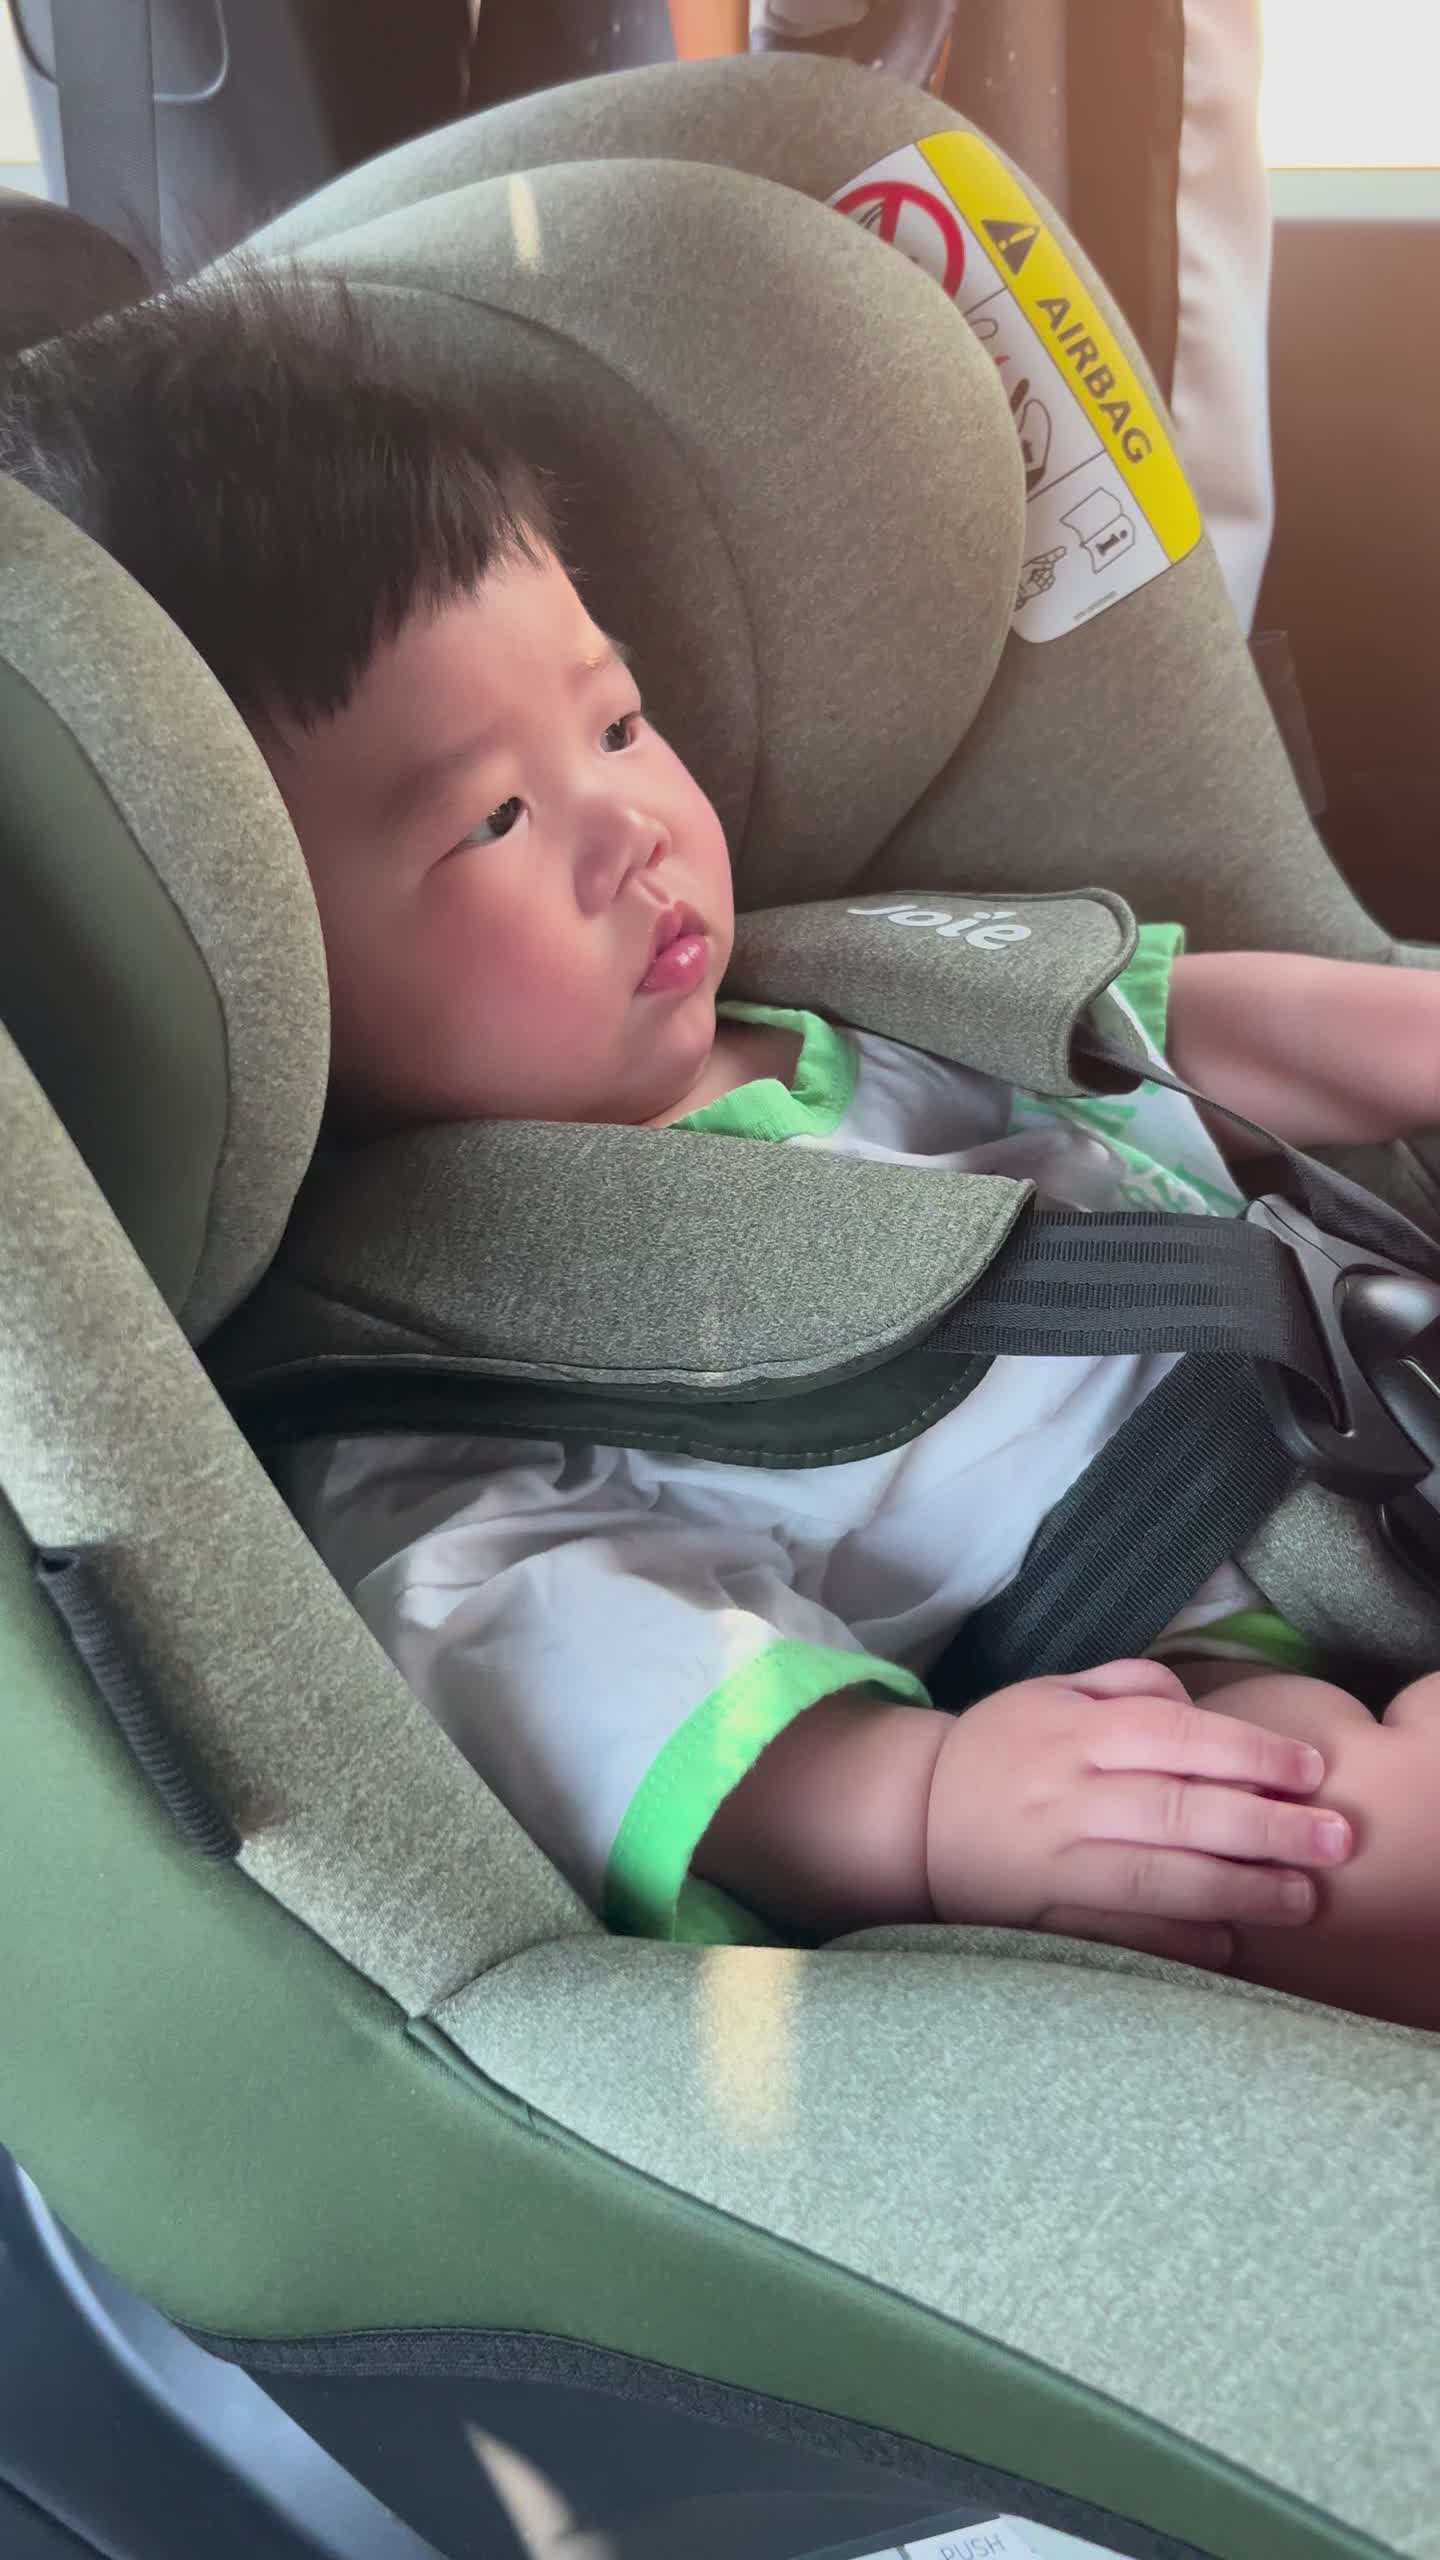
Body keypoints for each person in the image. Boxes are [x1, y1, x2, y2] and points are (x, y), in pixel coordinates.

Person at [4, 272, 1438, 2029]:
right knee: (1324, 1851)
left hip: (1390, 1399)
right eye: (491, 819)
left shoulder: (867, 979)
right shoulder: (435, 1385)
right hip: (1167, 1671)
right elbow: (574, 1663)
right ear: (257, 965)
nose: (629, 826)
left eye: (616, 723)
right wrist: (923, 1805)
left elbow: (1197, 1024)